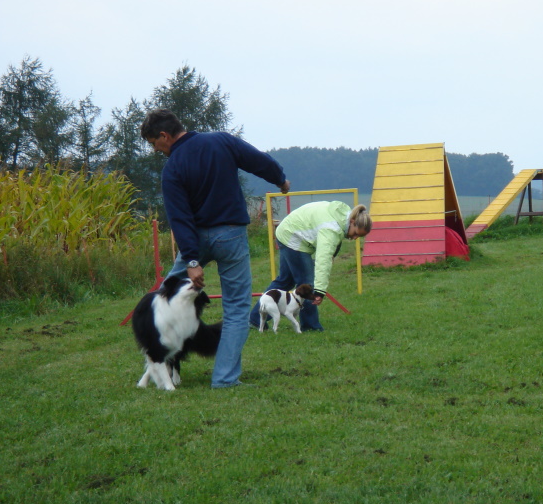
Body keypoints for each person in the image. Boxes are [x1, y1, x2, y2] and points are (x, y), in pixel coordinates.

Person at [140, 108, 290, 388]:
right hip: (231, 236)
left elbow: (180, 217)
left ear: (164, 135)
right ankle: (224, 378)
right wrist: (280, 180)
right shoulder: (221, 141)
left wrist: (193, 261)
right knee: (236, 308)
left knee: (164, 299)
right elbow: (258, 161)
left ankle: (159, 362)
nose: (155, 149)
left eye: (153, 143)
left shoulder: (172, 168)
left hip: (194, 240)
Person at [250, 201, 371, 332]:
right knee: (307, 284)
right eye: (355, 233)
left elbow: (333, 245)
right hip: (293, 239)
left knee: (285, 280)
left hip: (286, 230)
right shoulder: (331, 229)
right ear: (352, 221)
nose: (354, 238)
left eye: (359, 236)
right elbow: (322, 261)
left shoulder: (343, 214)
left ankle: (255, 319)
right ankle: (310, 326)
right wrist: (320, 291)